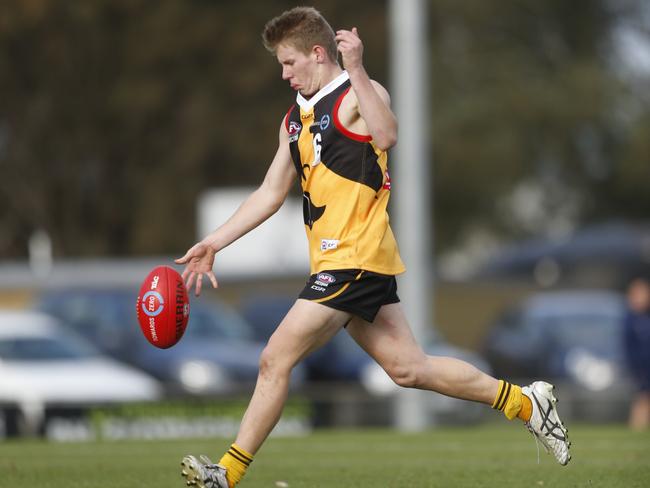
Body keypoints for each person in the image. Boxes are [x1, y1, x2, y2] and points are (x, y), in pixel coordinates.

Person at [176, 7, 571, 487]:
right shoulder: (293, 121)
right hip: (343, 263)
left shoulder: (357, 94)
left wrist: (358, 68)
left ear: (317, 54)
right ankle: (526, 403)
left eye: (288, 62)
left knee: (273, 359)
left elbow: (387, 135)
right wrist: (214, 241)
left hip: (354, 259)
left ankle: (227, 475)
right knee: (410, 368)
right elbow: (269, 193)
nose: (283, 73)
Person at [623, 277, 650, 430]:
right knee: (643, 399)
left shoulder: (646, 317)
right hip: (641, 369)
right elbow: (629, 348)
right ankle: (637, 428)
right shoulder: (630, 320)